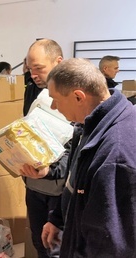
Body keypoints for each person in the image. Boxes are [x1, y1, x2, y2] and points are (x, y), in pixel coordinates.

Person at [42, 58, 136, 257]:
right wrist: (58, 219)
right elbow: (75, 182)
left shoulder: (114, 153)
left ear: (78, 97)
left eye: (55, 99)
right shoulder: (91, 123)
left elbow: (111, 244)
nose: (52, 106)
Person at [22, 38, 70, 258]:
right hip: (34, 186)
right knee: (38, 243)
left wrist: (50, 171)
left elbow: (75, 150)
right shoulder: (36, 91)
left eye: (39, 68)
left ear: (58, 62)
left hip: (58, 192)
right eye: (30, 69)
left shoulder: (75, 98)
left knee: (56, 248)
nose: (33, 74)